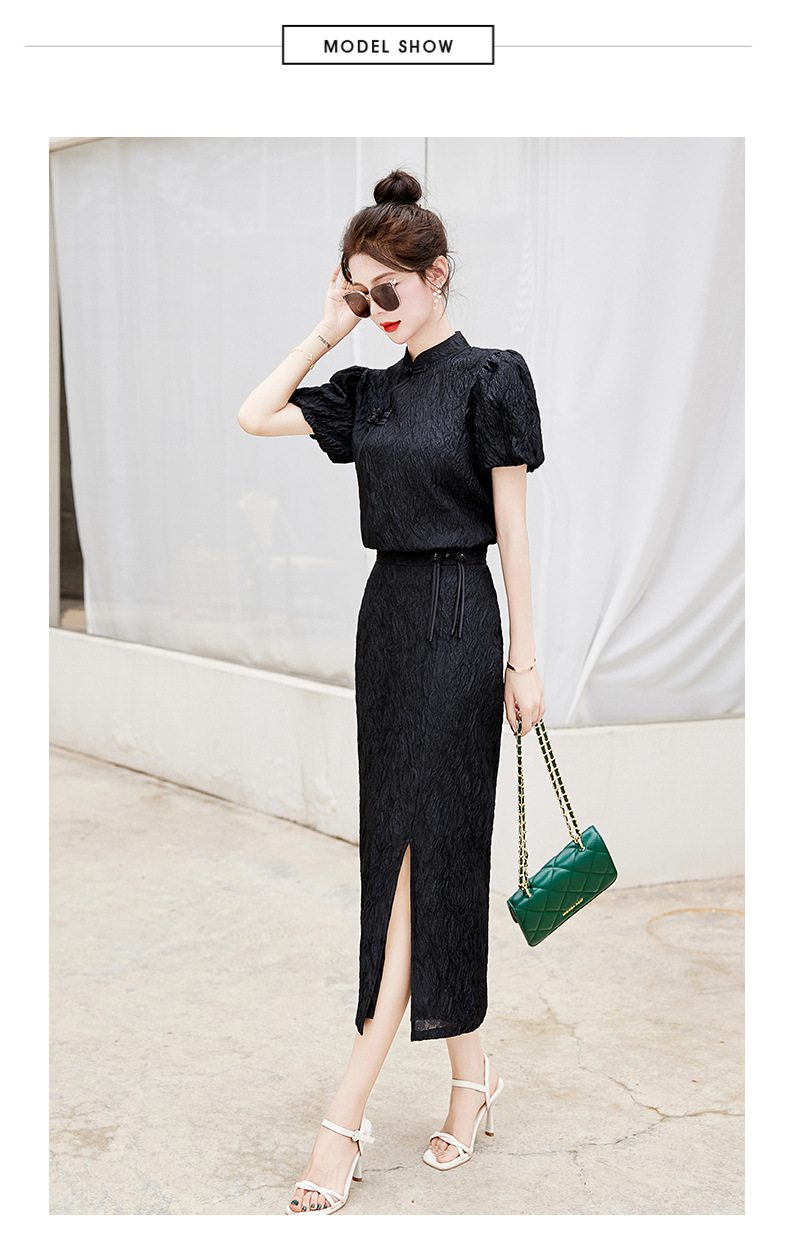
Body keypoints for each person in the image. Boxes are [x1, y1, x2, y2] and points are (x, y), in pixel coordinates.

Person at [237, 168, 546, 1214]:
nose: (377, 308)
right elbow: (254, 414)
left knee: (423, 855)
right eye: (361, 290)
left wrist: (524, 660)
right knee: (410, 848)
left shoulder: (492, 378)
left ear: (437, 273)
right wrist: (327, 329)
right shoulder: (366, 391)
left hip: (462, 621)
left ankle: (345, 1115)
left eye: (390, 290)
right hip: (389, 622)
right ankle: (471, 1079)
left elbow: (513, 533)